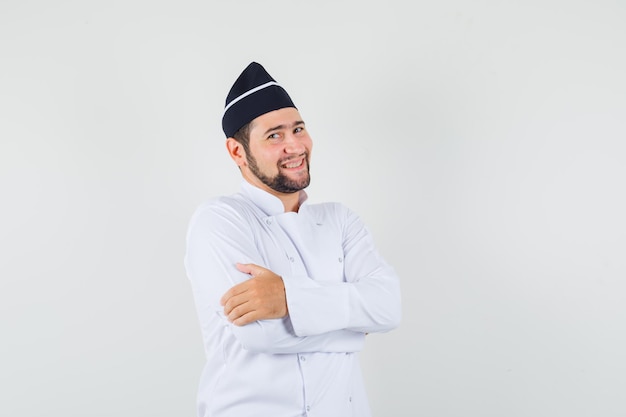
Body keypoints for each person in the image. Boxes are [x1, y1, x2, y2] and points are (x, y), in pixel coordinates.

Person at [184, 61, 401, 417]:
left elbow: (389, 306)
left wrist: (288, 299)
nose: (295, 145)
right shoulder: (219, 220)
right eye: (275, 135)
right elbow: (261, 335)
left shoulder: (340, 220)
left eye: (298, 129)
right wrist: (354, 331)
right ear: (237, 152)